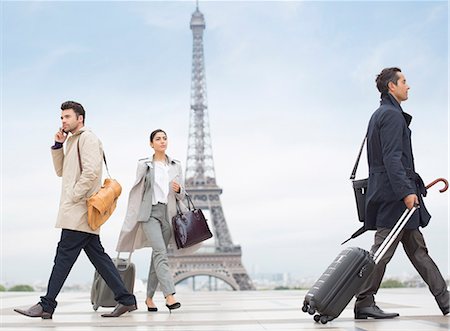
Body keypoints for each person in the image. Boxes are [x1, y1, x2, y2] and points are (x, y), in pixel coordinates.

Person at [14, 101, 137, 319]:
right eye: (61, 118)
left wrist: (74, 196)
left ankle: (47, 305)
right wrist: (58, 146)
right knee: (98, 257)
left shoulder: (88, 138)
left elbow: (91, 172)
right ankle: (126, 299)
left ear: (80, 118)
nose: (63, 121)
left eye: (67, 117)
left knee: (63, 256)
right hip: (78, 209)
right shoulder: (71, 140)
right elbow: (61, 171)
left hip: (80, 209)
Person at [354, 68, 449, 319]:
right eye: (404, 82)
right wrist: (407, 192)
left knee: (417, 250)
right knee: (383, 251)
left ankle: (446, 301)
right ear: (391, 87)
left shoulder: (379, 115)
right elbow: (392, 159)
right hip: (395, 197)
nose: (409, 86)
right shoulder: (392, 116)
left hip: (388, 192)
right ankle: (363, 300)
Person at [116, 129, 185, 312]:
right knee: (161, 252)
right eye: (158, 139)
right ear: (151, 144)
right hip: (149, 214)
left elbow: (182, 195)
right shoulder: (145, 165)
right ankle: (169, 296)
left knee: (157, 255)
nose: (162, 141)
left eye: (164, 138)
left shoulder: (175, 166)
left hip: (168, 215)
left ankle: (148, 298)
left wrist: (179, 190)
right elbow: (137, 190)